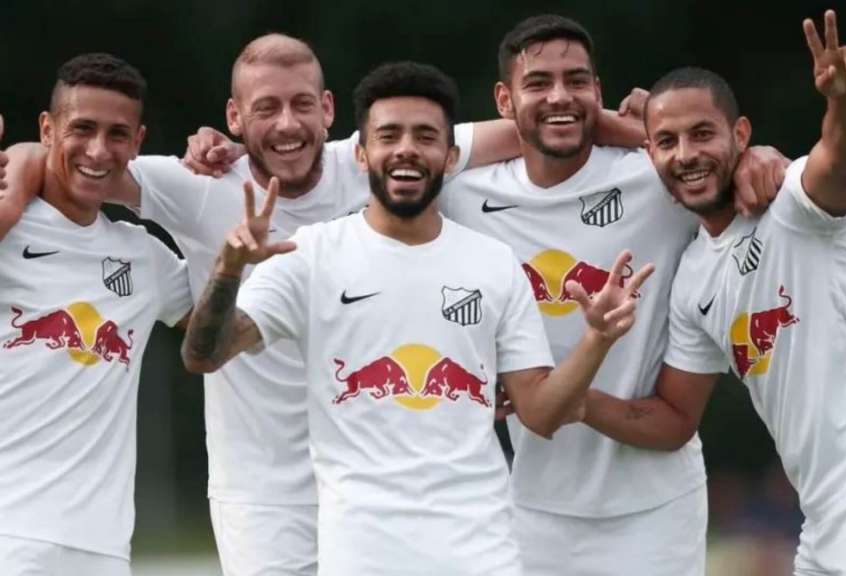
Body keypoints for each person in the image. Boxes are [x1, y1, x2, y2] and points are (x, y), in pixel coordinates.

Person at [1, 32, 535, 576]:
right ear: (234, 117)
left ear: (327, 110)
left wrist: (620, 124)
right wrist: (18, 181)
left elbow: (530, 131)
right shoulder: (194, 183)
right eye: (265, 108)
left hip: (376, 489)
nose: (286, 124)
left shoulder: (375, 156)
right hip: (262, 495)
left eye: (302, 103)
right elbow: (78, 166)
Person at [181, 60, 650, 576]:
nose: (406, 148)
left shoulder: (493, 263)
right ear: (361, 154)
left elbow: (541, 414)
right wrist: (227, 269)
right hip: (361, 558)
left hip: (481, 556)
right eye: (388, 135)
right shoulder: (309, 255)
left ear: (450, 157)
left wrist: (596, 341)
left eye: (425, 136)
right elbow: (205, 354)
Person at [438, 14, 785, 575]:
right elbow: (382, 153)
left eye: (577, 81)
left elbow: (730, 165)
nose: (560, 96)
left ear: (598, 94)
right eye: (538, 83)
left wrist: (764, 157)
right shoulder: (460, 194)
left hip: (657, 502)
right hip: (531, 502)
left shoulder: (656, 178)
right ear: (503, 99)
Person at [636, 11, 846, 574]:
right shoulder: (691, 278)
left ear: (741, 136)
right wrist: (567, 397)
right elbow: (672, 417)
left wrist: (843, 99)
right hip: (824, 513)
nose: (685, 153)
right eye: (667, 141)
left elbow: (839, 156)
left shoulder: (791, 200)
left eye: (702, 134)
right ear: (650, 156)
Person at [0, 54, 192, 575]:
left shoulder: (144, 256)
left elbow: (222, 331)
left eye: (117, 134)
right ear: (47, 128)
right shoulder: (8, 225)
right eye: (81, 128)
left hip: (103, 549)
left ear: (138, 142)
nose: (98, 150)